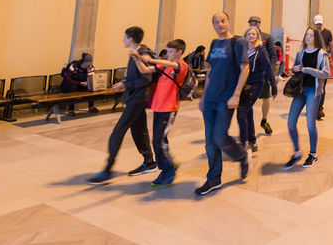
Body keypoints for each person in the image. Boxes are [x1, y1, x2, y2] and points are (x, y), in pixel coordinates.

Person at [88, 27, 157, 185]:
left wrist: (127, 85)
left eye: (125, 37)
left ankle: (107, 170)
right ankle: (149, 162)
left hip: (138, 97)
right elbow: (137, 76)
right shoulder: (135, 52)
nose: (123, 40)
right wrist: (124, 82)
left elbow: (146, 79)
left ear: (131, 39)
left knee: (118, 132)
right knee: (139, 129)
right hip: (135, 96)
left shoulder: (142, 54)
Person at [196, 12, 251, 196]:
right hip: (210, 98)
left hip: (225, 98)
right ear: (213, 25)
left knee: (220, 137)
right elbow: (210, 71)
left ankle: (242, 155)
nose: (220, 24)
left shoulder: (237, 42)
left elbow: (245, 69)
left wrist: (235, 95)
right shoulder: (213, 43)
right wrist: (203, 96)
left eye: (223, 20)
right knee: (210, 143)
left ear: (228, 22)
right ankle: (214, 179)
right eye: (216, 22)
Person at [130, 39, 189, 187]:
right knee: (158, 141)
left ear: (179, 52)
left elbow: (170, 64)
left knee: (158, 140)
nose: (167, 54)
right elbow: (144, 70)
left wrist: (152, 59)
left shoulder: (181, 66)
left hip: (169, 109)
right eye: (167, 51)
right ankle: (167, 167)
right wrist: (137, 58)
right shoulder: (164, 67)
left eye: (170, 52)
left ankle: (169, 168)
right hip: (158, 107)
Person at [284, 27, 331, 169]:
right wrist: (295, 69)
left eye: (311, 35)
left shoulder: (322, 54)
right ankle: (297, 152)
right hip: (300, 90)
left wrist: (309, 70)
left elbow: (327, 73)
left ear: (316, 38)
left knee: (310, 124)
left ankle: (313, 154)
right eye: (307, 34)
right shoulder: (301, 52)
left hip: (313, 91)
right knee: (291, 123)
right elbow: (293, 69)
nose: (308, 37)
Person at [238, 26, 278, 152]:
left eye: (253, 34)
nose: (251, 36)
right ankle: (252, 142)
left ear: (257, 37)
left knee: (242, 112)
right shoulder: (243, 49)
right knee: (248, 112)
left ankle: (243, 143)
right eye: (249, 34)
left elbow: (268, 67)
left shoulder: (261, 50)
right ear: (246, 36)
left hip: (256, 84)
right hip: (244, 84)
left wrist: (274, 86)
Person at [312, 15, 333, 120]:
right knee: (313, 85)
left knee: (322, 86)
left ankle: (319, 108)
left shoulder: (327, 33)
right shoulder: (310, 32)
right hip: (313, 62)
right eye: (317, 24)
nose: (319, 26)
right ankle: (314, 106)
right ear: (313, 24)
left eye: (320, 24)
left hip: (324, 62)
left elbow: (332, 46)